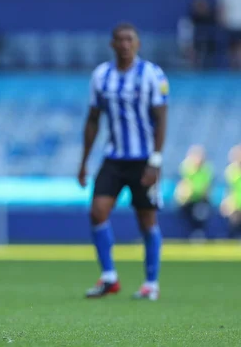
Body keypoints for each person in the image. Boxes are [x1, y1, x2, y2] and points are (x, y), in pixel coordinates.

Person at [77, 23, 169, 301]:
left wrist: (155, 160)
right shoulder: (102, 76)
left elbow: (161, 118)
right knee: (97, 212)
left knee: (147, 221)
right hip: (114, 158)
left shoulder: (153, 74)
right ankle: (109, 278)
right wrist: (83, 162)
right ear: (112, 44)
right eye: (120, 40)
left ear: (138, 44)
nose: (125, 44)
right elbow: (93, 119)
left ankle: (151, 283)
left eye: (130, 39)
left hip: (144, 160)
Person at [174, 145, 213, 240]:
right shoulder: (186, 168)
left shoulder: (206, 170)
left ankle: (198, 232)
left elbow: (206, 188)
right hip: (188, 199)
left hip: (200, 199)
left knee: (201, 210)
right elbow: (183, 185)